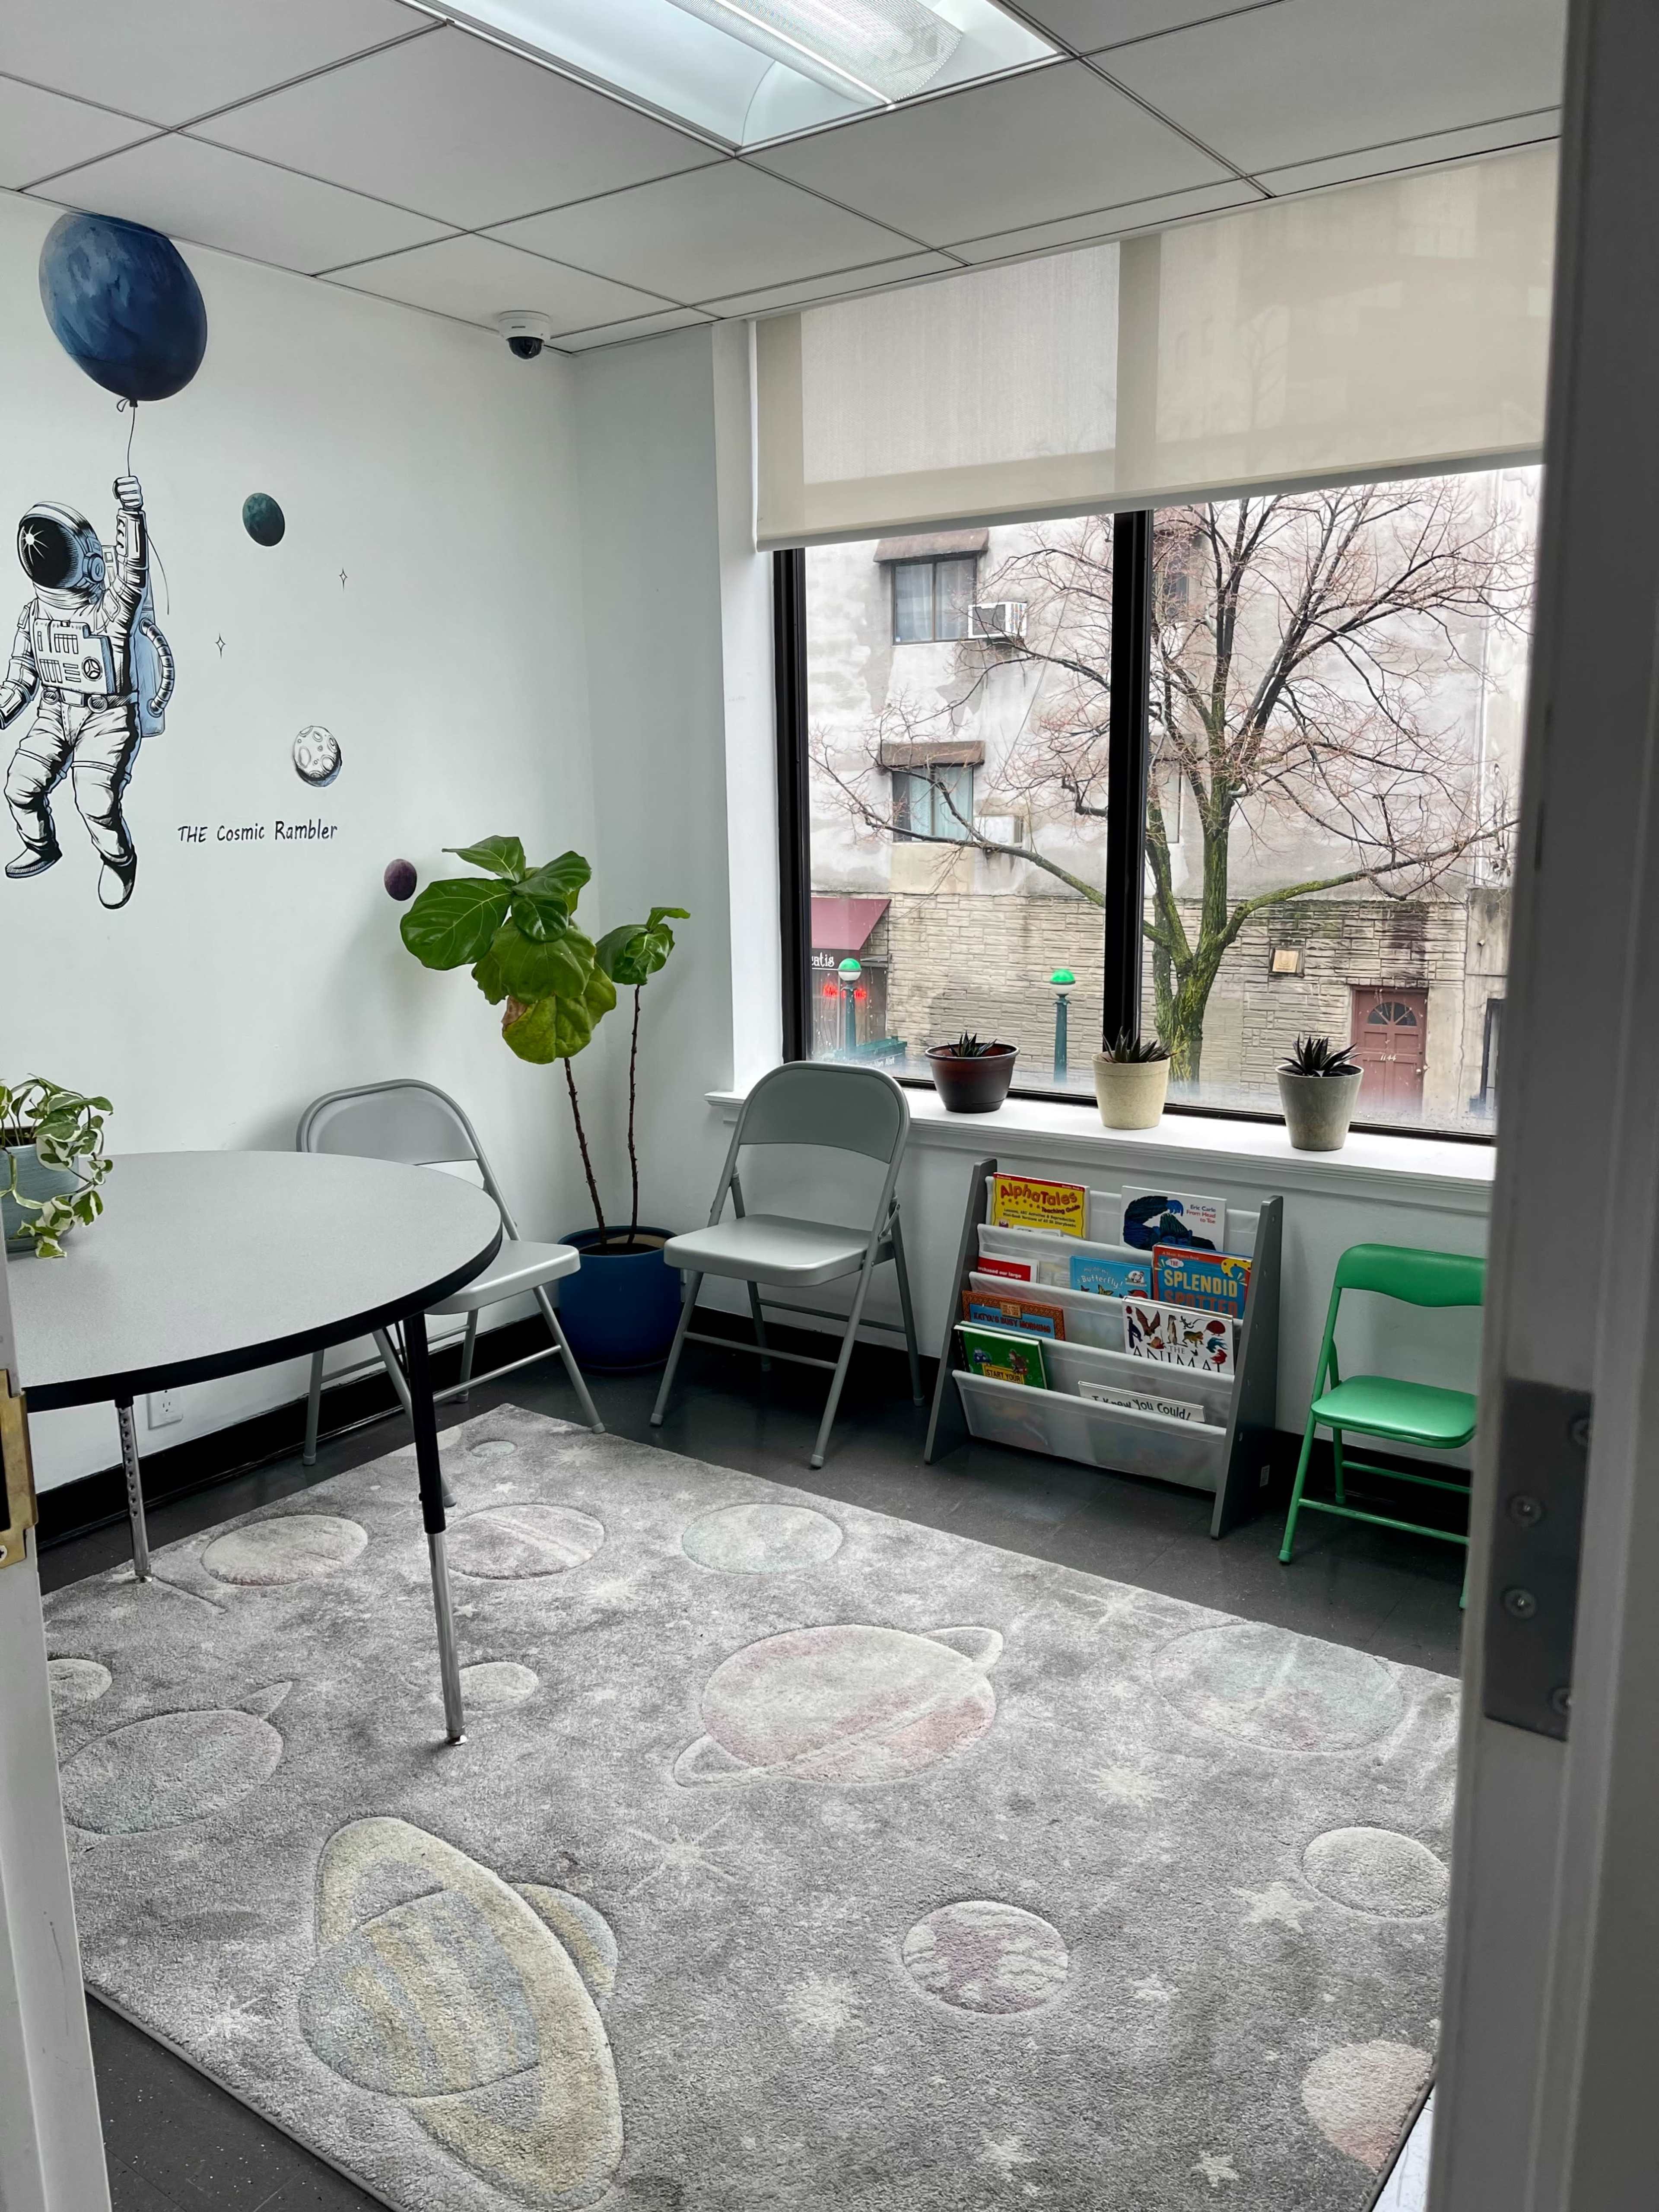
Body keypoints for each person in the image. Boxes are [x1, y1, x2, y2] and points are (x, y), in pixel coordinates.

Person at [0, 474, 170, 909]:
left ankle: (119, 860)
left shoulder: (107, 611)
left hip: (107, 717)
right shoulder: (34, 616)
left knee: (95, 799)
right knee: (20, 786)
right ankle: (42, 846)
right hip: (54, 712)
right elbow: (20, 677)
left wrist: (131, 515)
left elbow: (132, 575)